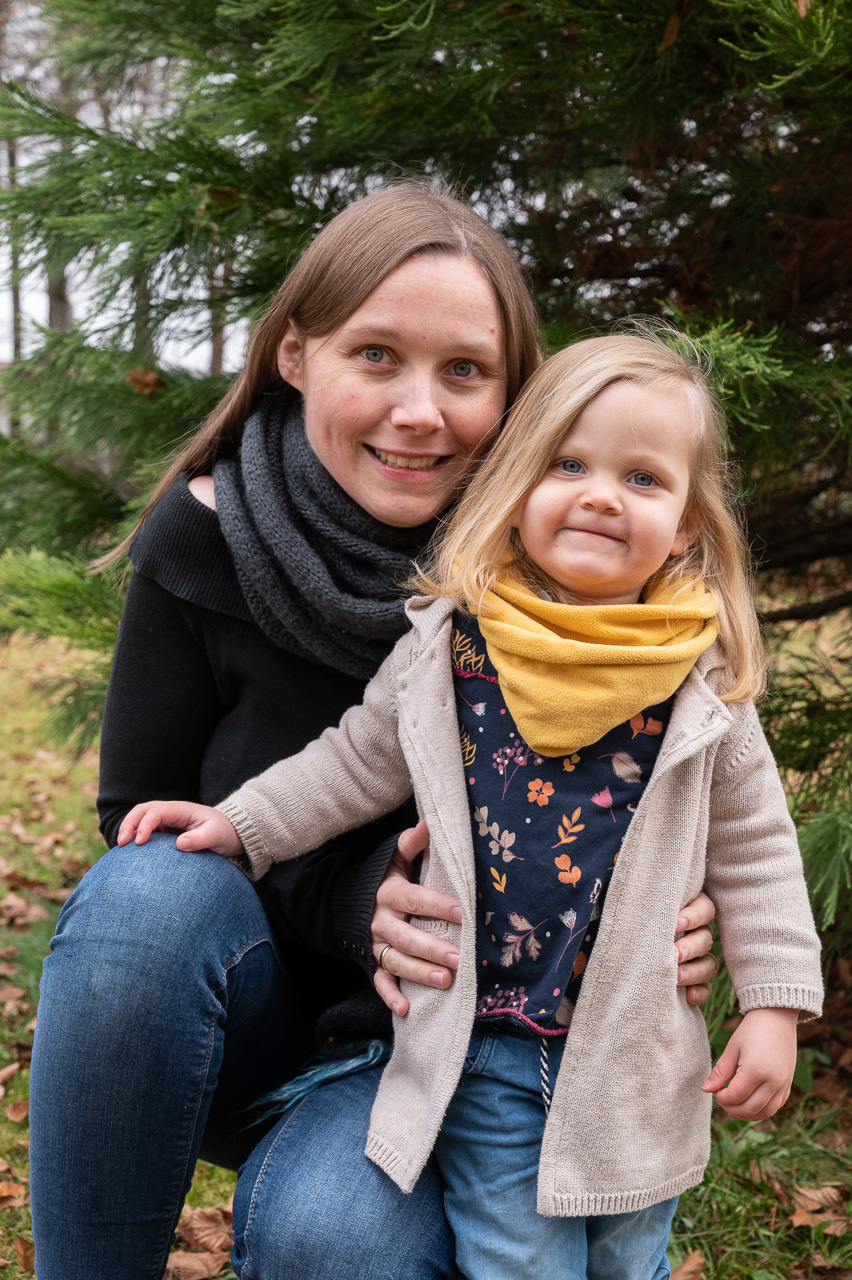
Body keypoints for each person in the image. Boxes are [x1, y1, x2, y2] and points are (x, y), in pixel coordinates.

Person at [29, 186, 719, 1280]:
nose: (420, 412)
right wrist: (354, 902)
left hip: (453, 1052)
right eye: (377, 356)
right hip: (242, 1007)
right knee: (145, 896)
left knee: (338, 1239)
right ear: (296, 354)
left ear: (517, 395)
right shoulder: (204, 539)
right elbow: (144, 820)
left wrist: (671, 910)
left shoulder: (564, 586)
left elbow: (673, 779)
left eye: (466, 371)